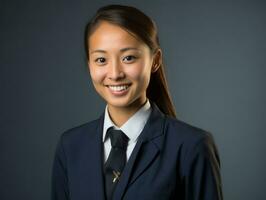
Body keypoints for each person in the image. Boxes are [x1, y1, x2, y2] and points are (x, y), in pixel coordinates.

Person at [51, 4, 223, 200]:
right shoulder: (71, 146)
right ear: (89, 64)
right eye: (101, 60)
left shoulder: (192, 146)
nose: (115, 74)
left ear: (155, 60)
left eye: (129, 58)